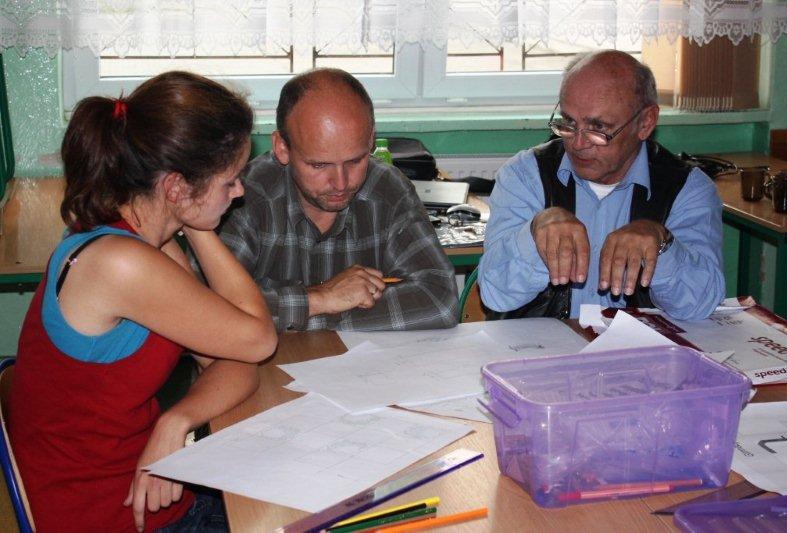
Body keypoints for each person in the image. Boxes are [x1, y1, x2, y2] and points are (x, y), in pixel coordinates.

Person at [8, 72, 278, 533]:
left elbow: (236, 361)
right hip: (108, 518)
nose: (240, 192)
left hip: (154, 496)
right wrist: (197, 222)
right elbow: (259, 339)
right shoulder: (120, 264)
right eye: (230, 180)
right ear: (175, 187)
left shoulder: (148, 241)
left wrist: (177, 419)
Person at [479, 50, 725, 321]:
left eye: (598, 128)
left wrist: (661, 243)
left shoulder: (686, 188)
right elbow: (495, 295)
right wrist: (535, 233)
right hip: (540, 344)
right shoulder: (527, 175)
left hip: (638, 345)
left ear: (645, 123)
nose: (577, 143)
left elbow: (699, 306)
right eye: (569, 122)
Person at [218, 68, 458, 331]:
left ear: (371, 139)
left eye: (355, 161)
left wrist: (304, 314)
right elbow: (212, 312)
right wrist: (321, 299)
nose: (341, 183)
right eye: (319, 165)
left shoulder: (387, 189)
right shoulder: (242, 197)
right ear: (282, 148)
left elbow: (440, 301)